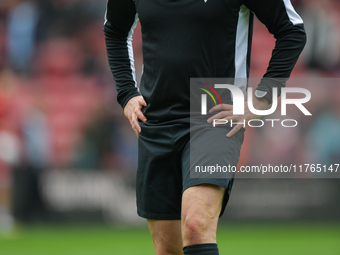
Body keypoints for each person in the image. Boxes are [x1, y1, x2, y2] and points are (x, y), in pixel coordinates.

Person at [104, 0, 306, 254]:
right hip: (154, 122)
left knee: (195, 226)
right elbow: (115, 31)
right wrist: (126, 93)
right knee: (167, 248)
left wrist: (260, 99)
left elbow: (292, 30)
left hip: (215, 117)